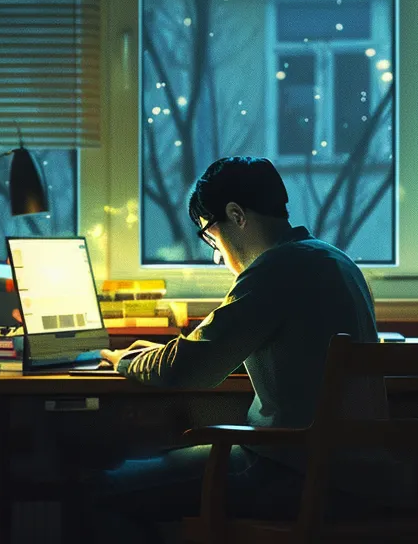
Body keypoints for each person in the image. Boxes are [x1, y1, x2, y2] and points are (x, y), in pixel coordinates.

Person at [86, 156, 393, 542]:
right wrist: (167, 352)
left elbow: (187, 369)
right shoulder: (335, 260)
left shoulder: (275, 269)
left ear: (236, 215)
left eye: (211, 236)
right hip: (358, 475)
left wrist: (125, 359)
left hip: (294, 471)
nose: (217, 254)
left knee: (99, 489)